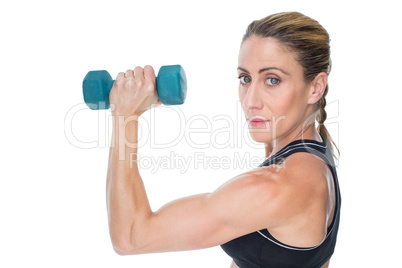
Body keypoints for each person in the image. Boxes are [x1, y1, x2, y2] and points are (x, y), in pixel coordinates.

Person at [106, 11, 341, 268]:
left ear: (316, 87)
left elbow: (130, 237)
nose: (250, 101)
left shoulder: (278, 186)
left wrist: (125, 116)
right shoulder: (311, 157)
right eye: (245, 79)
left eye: (272, 80)